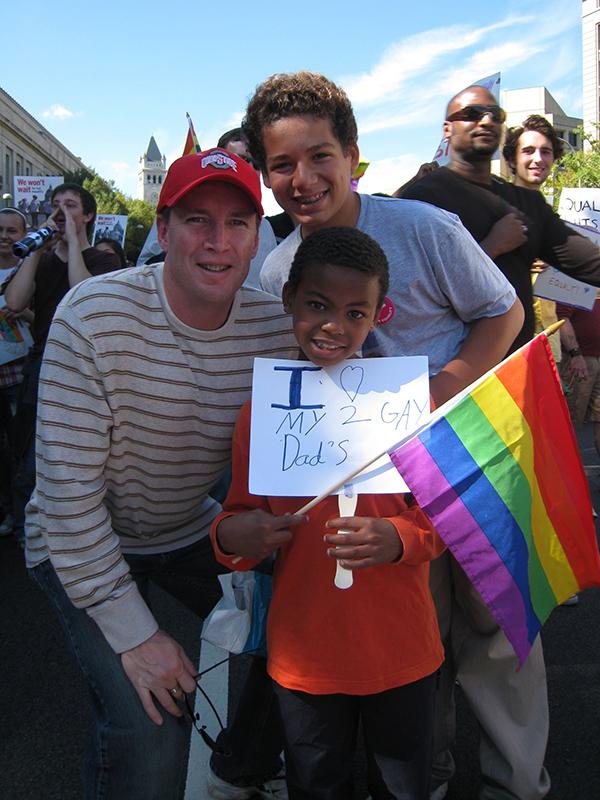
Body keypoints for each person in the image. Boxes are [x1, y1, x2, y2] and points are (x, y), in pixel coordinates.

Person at [242, 71, 524, 800]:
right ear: (264, 173)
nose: (302, 179)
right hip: (371, 491)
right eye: (281, 165)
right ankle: (421, 779)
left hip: (457, 456)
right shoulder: (275, 268)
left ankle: (516, 782)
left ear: (353, 155)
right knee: (408, 638)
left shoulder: (423, 228)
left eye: (320, 157)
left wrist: (438, 389)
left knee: (491, 632)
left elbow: (504, 313)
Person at [24, 148, 298, 800]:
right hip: (77, 545)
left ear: (257, 236)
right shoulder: (92, 316)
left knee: (290, 659)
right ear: (163, 227)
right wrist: (139, 637)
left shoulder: (276, 327)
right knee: (152, 727)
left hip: (186, 529)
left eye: (238, 223)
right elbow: (67, 502)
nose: (218, 241)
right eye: (198, 219)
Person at [399, 86, 600, 800]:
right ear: (447, 126)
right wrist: (492, 249)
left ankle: (516, 781)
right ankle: (429, 772)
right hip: (430, 424)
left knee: (503, 611)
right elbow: (395, 291)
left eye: (493, 115)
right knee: (425, 614)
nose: (485, 122)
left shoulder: (529, 207)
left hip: (507, 419)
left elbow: (590, 262)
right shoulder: (415, 200)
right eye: (470, 114)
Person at [211, 226, 445, 799]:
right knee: (317, 786)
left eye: (355, 312)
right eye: (317, 305)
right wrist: (240, 535)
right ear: (289, 298)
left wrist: (399, 538)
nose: (334, 326)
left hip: (401, 648)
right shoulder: (258, 415)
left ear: (379, 314)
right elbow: (235, 524)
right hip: (304, 655)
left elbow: (442, 521)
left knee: (404, 786)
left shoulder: (414, 409)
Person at [5, 183, 121, 545]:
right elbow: (15, 300)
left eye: (70, 205)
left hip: (85, 366)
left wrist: (72, 242)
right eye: (54, 205)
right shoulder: (40, 257)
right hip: (43, 364)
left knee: (78, 456)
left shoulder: (103, 260)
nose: (59, 212)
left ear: (88, 216)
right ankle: (33, 539)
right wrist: (37, 253)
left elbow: (83, 297)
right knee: (29, 458)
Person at [0, 207, 32, 539]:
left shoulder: (32, 269)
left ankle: (24, 523)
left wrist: (21, 311)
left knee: (19, 450)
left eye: (12, 231)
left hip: (17, 375)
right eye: (0, 230)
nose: (4, 237)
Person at [502, 114, 564, 191]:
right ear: (512, 160)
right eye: (528, 151)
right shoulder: (495, 200)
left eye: (545, 152)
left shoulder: (541, 203)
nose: (539, 159)